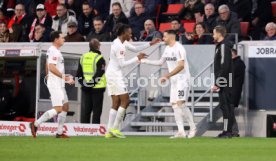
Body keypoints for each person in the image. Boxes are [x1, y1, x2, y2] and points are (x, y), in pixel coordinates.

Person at [105, 24, 159, 138]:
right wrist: (137, 58)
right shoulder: (119, 46)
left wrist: (150, 43)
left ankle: (108, 131)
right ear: (123, 33)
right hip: (115, 75)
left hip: (111, 73)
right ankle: (115, 129)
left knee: (116, 102)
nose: (130, 34)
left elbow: (135, 48)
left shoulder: (119, 41)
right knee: (126, 100)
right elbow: (122, 64)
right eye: (129, 33)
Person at [141, 30, 196, 139]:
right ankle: (181, 131)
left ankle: (193, 128)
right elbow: (160, 62)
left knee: (181, 103)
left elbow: (181, 66)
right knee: (174, 104)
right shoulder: (167, 49)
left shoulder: (179, 48)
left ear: (171, 37)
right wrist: (144, 61)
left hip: (182, 80)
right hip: (174, 81)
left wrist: (167, 76)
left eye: (165, 36)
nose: (163, 38)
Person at [30, 31, 75, 138]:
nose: (64, 39)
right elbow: (51, 67)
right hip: (56, 84)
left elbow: (47, 65)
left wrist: (49, 77)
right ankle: (35, 124)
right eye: (62, 37)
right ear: (56, 39)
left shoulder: (53, 50)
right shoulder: (54, 51)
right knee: (58, 108)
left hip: (57, 82)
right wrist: (65, 77)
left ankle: (59, 133)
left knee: (65, 106)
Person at [76, 39, 106, 124]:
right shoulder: (100, 58)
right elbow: (100, 74)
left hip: (85, 89)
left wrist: (84, 85)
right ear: (98, 47)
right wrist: (91, 84)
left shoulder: (82, 57)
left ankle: (85, 130)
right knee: (97, 111)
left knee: (86, 111)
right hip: (98, 88)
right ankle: (95, 131)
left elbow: (78, 75)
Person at [211, 26, 234, 138]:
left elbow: (224, 66)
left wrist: (218, 83)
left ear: (219, 34)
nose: (213, 35)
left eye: (214, 33)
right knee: (226, 106)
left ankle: (227, 131)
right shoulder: (220, 46)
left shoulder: (224, 46)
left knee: (226, 106)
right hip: (224, 80)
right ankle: (228, 130)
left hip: (225, 81)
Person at [231, 48, 245, 137]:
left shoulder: (239, 64)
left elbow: (230, 75)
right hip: (231, 91)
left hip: (234, 92)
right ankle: (230, 131)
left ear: (234, 54)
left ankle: (233, 131)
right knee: (228, 112)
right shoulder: (235, 63)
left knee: (229, 112)